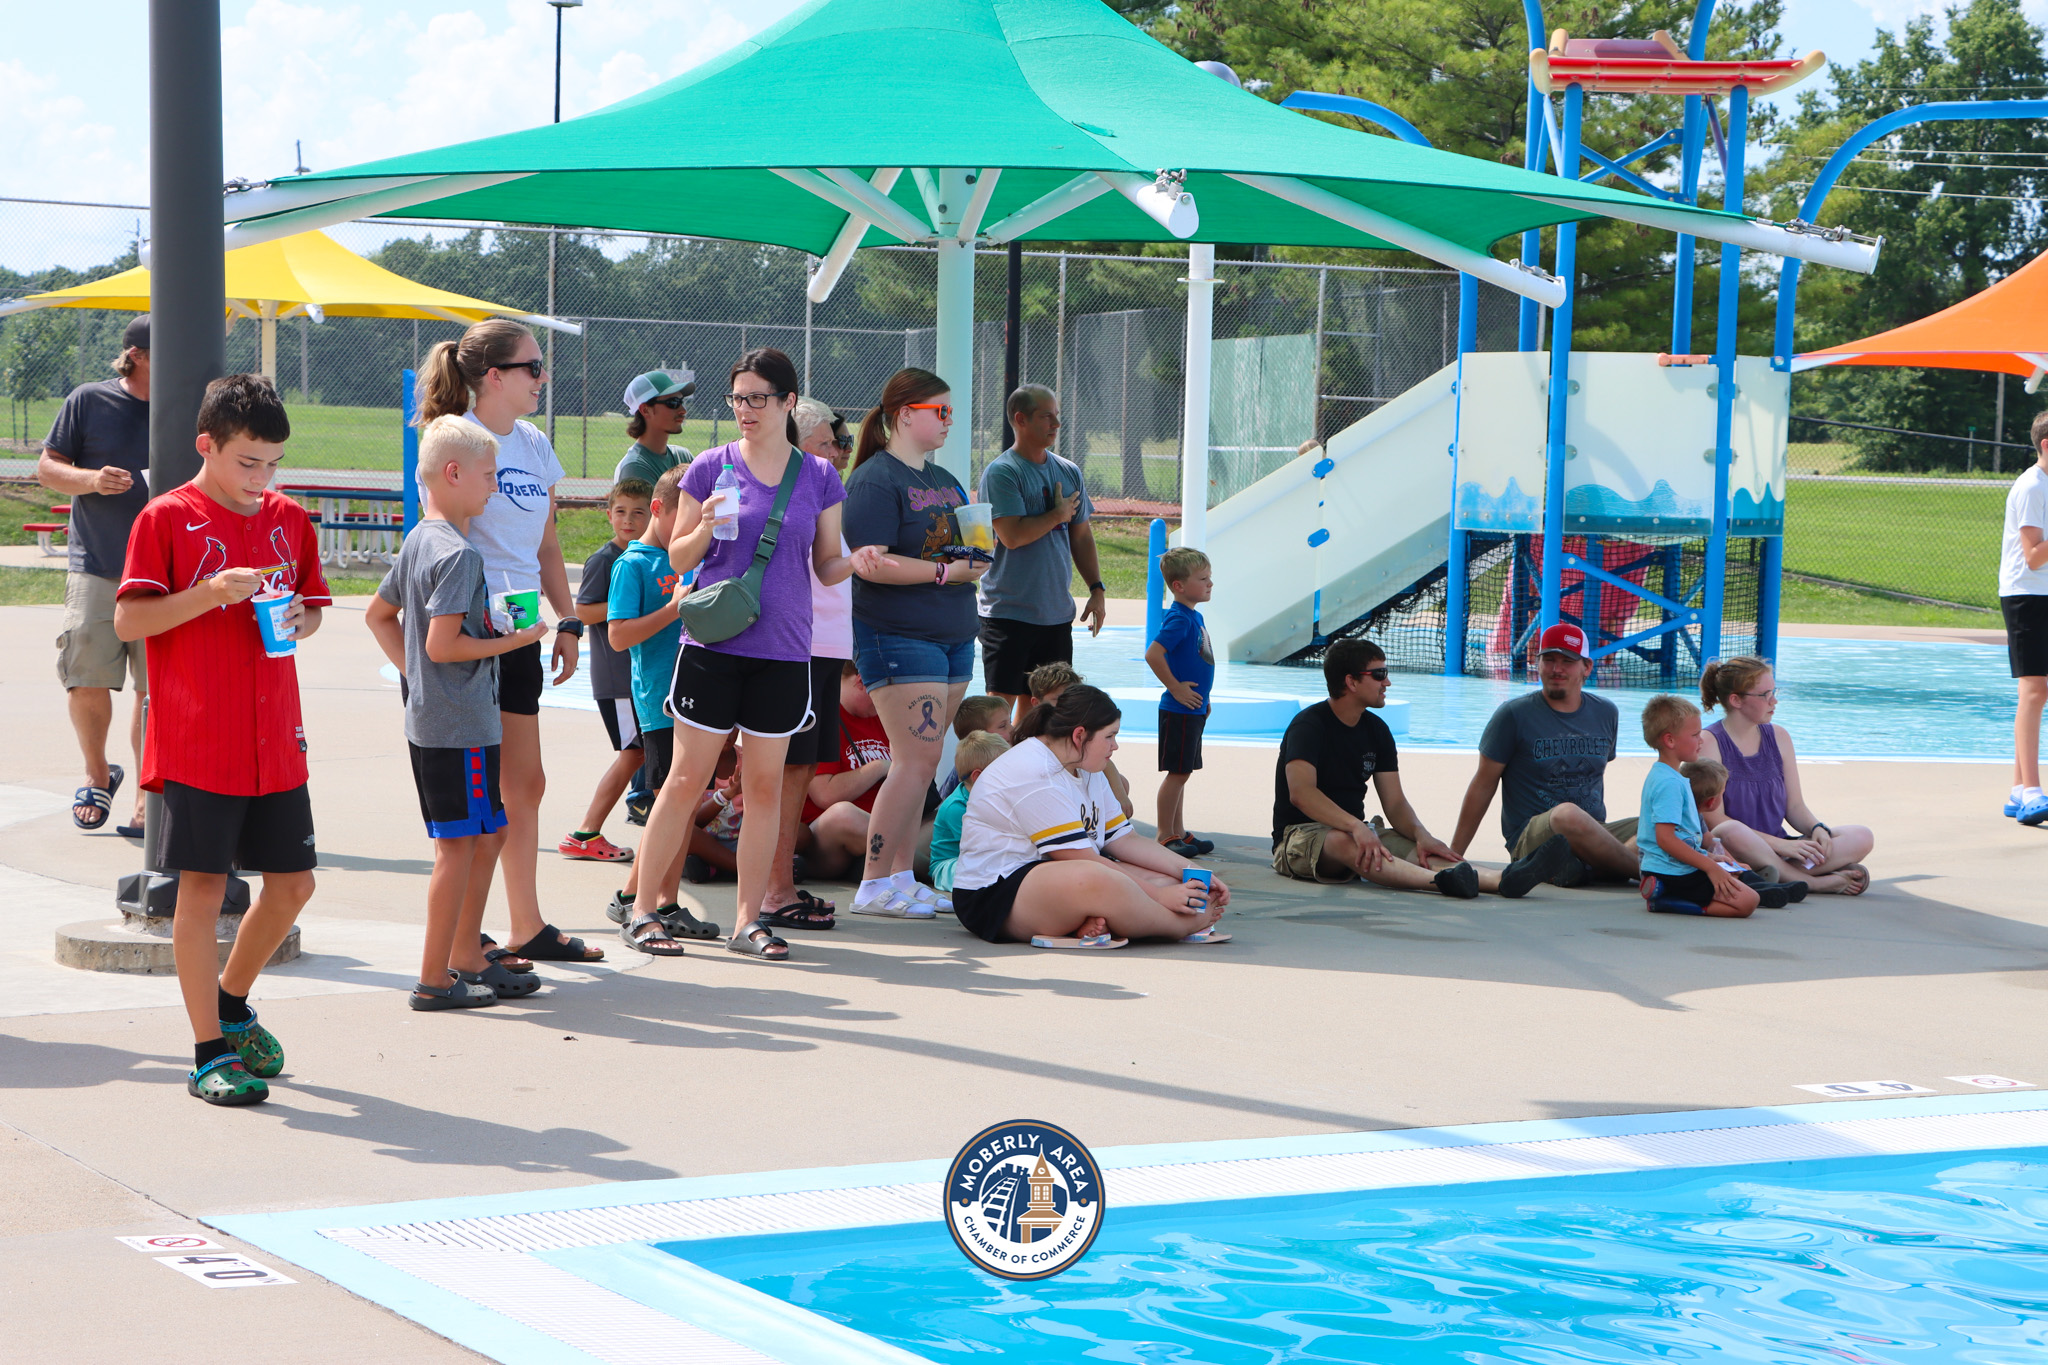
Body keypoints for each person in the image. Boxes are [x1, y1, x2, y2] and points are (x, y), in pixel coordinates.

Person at [112, 374, 330, 1105]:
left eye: (272, 463)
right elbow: (130, 624)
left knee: (294, 883)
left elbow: (314, 612)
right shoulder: (166, 518)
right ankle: (207, 1052)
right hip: (200, 735)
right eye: (247, 462)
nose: (260, 479)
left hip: (276, 733)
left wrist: (302, 620)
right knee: (202, 891)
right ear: (206, 445)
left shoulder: (289, 519)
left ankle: (232, 1004)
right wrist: (207, 594)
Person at [620, 348, 854, 961]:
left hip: (783, 651)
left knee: (765, 788)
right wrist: (705, 528)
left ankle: (749, 920)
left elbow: (827, 566)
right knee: (685, 778)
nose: (745, 410)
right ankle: (645, 909)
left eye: (757, 398)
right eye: (738, 399)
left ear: (788, 403)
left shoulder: (820, 477)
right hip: (713, 646)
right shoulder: (708, 467)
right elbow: (677, 559)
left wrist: (860, 561)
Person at [415, 319, 600, 965]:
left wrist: (570, 620)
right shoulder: (456, 441)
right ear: (494, 376)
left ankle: (527, 924)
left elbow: (548, 546)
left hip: (519, 628)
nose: (542, 376)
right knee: (482, 794)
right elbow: (438, 542)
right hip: (471, 633)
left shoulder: (534, 443)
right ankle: (469, 936)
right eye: (532, 366)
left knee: (526, 784)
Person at [365, 417, 549, 1010]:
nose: (494, 487)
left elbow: (379, 616)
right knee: (457, 846)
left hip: (447, 719)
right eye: (489, 475)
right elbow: (442, 647)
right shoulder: (460, 555)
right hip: (460, 725)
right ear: (453, 474)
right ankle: (434, 978)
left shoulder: (422, 536)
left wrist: (418, 678)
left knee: (490, 830)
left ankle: (465, 953)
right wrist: (515, 642)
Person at [843, 367, 988, 919]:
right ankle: (875, 882)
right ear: (906, 414)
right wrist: (943, 574)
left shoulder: (946, 479)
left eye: (951, 412)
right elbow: (872, 562)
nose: (950, 421)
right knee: (914, 758)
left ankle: (901, 878)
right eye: (941, 412)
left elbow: (968, 549)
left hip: (952, 633)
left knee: (924, 763)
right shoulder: (877, 480)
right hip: (898, 635)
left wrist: (974, 558)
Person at [1273, 639, 1572, 897]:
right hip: (1300, 837)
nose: (1387, 682)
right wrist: (1354, 826)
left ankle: (1500, 879)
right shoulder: (1310, 726)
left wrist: (1421, 834)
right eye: (1380, 674)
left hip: (1356, 831)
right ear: (1351, 682)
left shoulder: (1376, 731)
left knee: (1419, 849)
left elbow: (1395, 802)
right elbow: (1302, 794)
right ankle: (1439, 882)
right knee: (1343, 840)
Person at [952, 685, 1230, 947]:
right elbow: (1081, 859)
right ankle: (1179, 926)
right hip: (993, 894)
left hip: (1053, 875)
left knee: (1170, 880)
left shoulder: (1085, 765)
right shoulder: (1035, 771)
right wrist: (1160, 896)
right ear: (1079, 735)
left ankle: (1090, 922)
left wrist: (1190, 872)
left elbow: (1125, 840)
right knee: (1101, 880)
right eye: (1110, 736)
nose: (1115, 746)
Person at [39, 314, 152, 837]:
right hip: (97, 564)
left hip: (165, 576)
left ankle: (150, 797)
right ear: (136, 354)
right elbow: (47, 468)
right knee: (85, 677)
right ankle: (97, 773)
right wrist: (90, 479)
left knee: (155, 691)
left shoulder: (196, 408)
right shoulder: (90, 399)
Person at [602, 465, 717, 938]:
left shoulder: (688, 558)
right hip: (660, 704)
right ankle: (641, 899)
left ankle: (658, 900)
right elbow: (616, 636)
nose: (690, 529)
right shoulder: (634, 565)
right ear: (659, 509)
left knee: (687, 805)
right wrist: (674, 608)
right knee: (671, 804)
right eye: (684, 517)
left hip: (698, 699)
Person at [757, 396, 858, 933]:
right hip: (800, 647)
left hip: (820, 649)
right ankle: (773, 890)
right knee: (783, 771)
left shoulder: (816, 489)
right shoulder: (793, 490)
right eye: (830, 442)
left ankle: (777, 885)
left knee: (796, 770)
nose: (842, 451)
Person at [1451, 622, 1638, 883]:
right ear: (1537, 664)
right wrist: (1454, 855)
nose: (1556, 669)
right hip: (1532, 837)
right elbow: (1483, 784)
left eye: (1567, 661)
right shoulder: (1513, 714)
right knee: (1567, 814)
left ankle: (1591, 866)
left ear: (1587, 667)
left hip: (1594, 832)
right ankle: (1643, 873)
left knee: (1660, 823)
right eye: (1548, 660)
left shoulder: (1606, 713)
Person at [977, 385, 1109, 726]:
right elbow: (1013, 535)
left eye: (1057, 415)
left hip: (1054, 616)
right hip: (1009, 613)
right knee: (999, 714)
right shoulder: (1003, 472)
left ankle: (1029, 776)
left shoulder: (1068, 471)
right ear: (1020, 420)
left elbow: (1080, 535)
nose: (1056, 423)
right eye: (1046, 416)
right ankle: (981, 777)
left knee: (1045, 711)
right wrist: (1056, 514)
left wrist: (1096, 588)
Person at [1697, 656, 1874, 894]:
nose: (1774, 701)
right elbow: (1714, 820)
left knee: (1861, 835)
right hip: (1736, 846)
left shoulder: (1779, 737)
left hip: (1782, 849)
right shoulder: (1710, 742)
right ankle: (1814, 881)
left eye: (1774, 691)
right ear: (1736, 700)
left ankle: (1775, 874)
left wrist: (1818, 829)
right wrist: (1779, 844)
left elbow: (1795, 806)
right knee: (1730, 832)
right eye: (1765, 695)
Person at [560, 478, 652, 862]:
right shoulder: (606, 559)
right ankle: (586, 832)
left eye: (638, 513)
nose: (628, 520)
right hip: (617, 680)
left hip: (641, 678)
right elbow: (582, 610)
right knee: (634, 755)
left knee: (644, 753)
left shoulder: (648, 554)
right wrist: (630, 608)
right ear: (609, 513)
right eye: (620, 511)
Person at [1637, 695, 1758, 918]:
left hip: (1670, 867)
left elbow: (1683, 836)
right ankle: (1665, 901)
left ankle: (1665, 891)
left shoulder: (1667, 776)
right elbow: (1665, 839)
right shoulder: (1669, 783)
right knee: (1748, 901)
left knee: (1738, 877)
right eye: (1694, 735)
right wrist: (1709, 867)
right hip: (1670, 871)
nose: (1700, 740)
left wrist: (1711, 858)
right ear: (1670, 741)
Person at [794, 663, 898, 888]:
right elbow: (825, 794)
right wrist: (879, 767)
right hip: (823, 838)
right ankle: (914, 865)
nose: (887, 699)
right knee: (844, 814)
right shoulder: (824, 716)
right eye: (882, 691)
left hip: (879, 825)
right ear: (861, 682)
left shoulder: (881, 716)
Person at [1148, 547, 1216, 858]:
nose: (1210, 583)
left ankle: (1179, 831)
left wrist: (1206, 697)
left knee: (1183, 771)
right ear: (1179, 586)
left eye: (1209, 578)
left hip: (1193, 708)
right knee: (1177, 773)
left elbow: (1198, 660)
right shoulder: (1178, 618)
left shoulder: (1194, 615)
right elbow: (1154, 654)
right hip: (1179, 709)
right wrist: (1175, 688)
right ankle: (1165, 835)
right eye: (1202, 579)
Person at [1999, 411, 2048, 825]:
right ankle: (2032, 789)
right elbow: (2033, 557)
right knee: (2035, 690)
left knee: (2037, 691)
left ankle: (2019, 789)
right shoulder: (2033, 486)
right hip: (2027, 594)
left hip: (2042, 593)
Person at [1682, 760, 1807, 910]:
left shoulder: (1696, 814)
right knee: (1725, 879)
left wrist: (1733, 863)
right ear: (1711, 802)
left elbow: (1709, 839)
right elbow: (1687, 851)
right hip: (1691, 867)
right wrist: (1714, 860)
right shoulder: (1682, 819)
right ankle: (1762, 894)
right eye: (1723, 794)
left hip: (1702, 861)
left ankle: (1770, 887)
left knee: (1742, 872)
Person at [1026, 660, 1133, 818]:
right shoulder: (1034, 735)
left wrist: (1120, 795)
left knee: (1121, 783)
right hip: (1053, 790)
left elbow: (1106, 762)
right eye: (1058, 699)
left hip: (1080, 778)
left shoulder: (1076, 726)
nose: (1066, 704)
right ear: (1036, 703)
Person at [930, 731, 1009, 895]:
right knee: (983, 866)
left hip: (979, 857)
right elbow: (977, 848)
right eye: (1004, 770)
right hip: (948, 865)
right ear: (979, 777)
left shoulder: (993, 797)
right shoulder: (956, 807)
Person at [614, 368, 695, 487]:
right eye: (673, 403)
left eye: (681, 401)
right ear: (645, 410)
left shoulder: (682, 456)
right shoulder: (635, 467)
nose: (683, 410)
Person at [935, 695, 1012, 801]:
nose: (1012, 729)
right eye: (1003, 726)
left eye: (1010, 722)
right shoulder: (966, 771)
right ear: (978, 736)